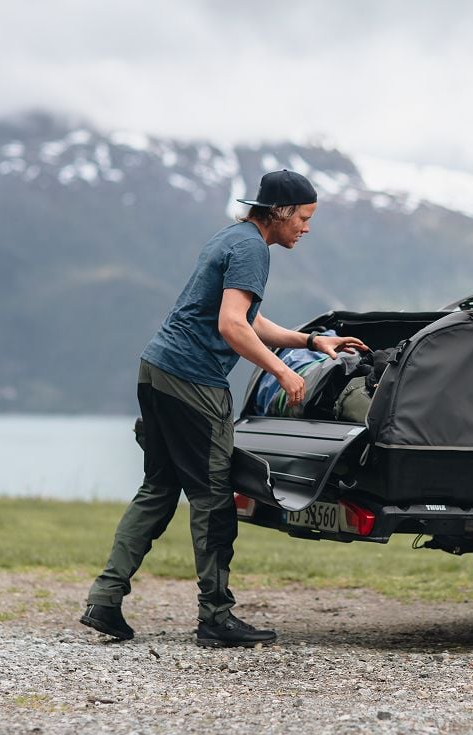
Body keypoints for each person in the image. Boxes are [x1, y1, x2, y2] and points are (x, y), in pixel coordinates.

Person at [80, 170, 368, 647]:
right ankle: (216, 617)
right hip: (194, 380)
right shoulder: (253, 249)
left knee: (158, 487)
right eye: (303, 217)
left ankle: (105, 600)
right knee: (213, 498)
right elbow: (233, 326)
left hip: (157, 370)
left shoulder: (232, 238)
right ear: (279, 213)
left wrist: (313, 341)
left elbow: (250, 319)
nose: (307, 228)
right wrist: (283, 371)